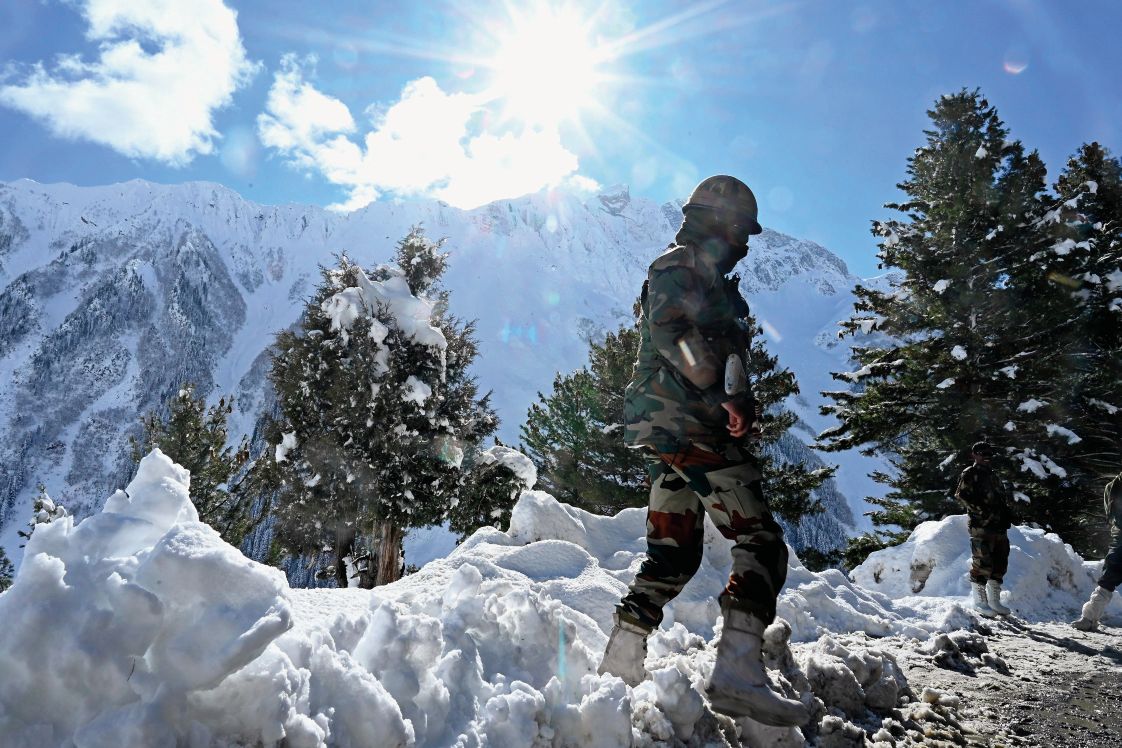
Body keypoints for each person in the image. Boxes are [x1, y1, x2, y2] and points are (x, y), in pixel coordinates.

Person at [597, 175, 808, 727]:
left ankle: (619, 666)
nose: (745, 242)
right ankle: (737, 674)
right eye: (740, 230)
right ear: (717, 222)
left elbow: (722, 352)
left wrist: (738, 398)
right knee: (760, 542)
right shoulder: (679, 266)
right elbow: (675, 337)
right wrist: (720, 394)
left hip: (678, 431)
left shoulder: (711, 276)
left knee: (674, 553)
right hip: (689, 427)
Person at [955, 441, 1013, 617]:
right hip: (981, 526)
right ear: (974, 455)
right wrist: (982, 511)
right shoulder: (970, 473)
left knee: (1000, 561)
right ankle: (980, 602)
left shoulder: (994, 475)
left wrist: (1007, 514)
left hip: (999, 526)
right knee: (982, 561)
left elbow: (1001, 500)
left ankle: (994, 601)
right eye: (982, 453)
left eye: (989, 452)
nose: (986, 456)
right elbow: (961, 495)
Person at [1072, 470, 1122, 631]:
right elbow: (1112, 516)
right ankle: (1089, 618)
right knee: (1107, 579)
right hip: (1121, 539)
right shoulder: (1112, 486)